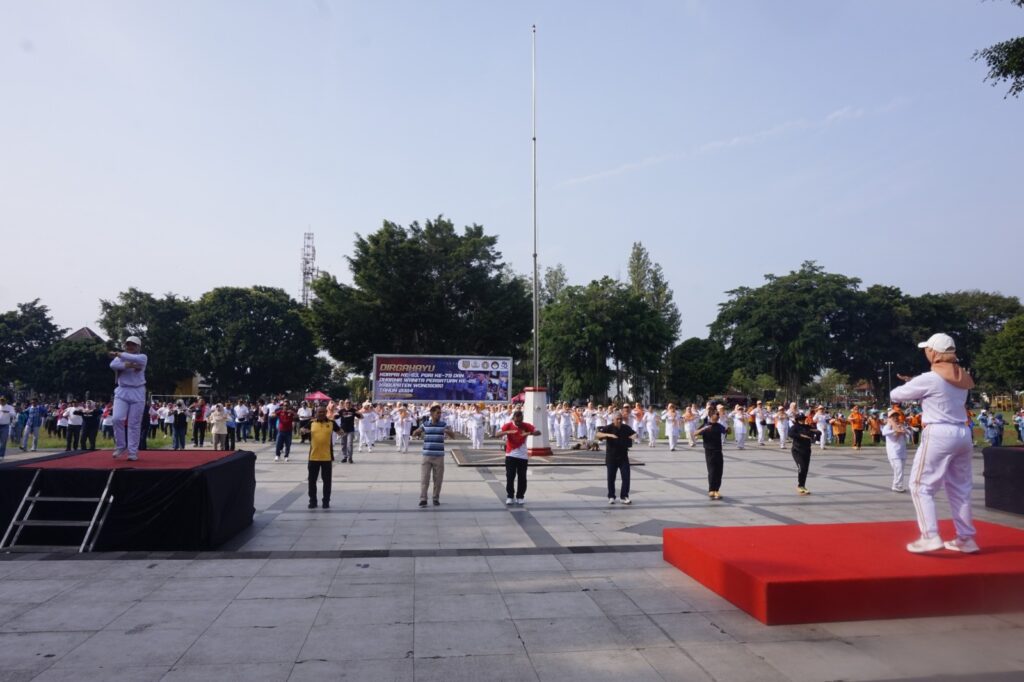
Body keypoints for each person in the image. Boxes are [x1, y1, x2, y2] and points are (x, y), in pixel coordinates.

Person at [891, 332, 978, 554]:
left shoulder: (929, 378)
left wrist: (913, 385)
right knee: (960, 488)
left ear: (934, 352)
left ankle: (930, 535)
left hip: (939, 432)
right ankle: (965, 538)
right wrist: (916, 383)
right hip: (963, 432)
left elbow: (896, 395)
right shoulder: (962, 377)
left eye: (927, 350)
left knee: (921, 486)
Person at [109, 335, 148, 461]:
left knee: (134, 424)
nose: (130, 347)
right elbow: (113, 366)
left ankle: (132, 451)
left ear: (138, 346)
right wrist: (129, 365)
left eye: (133, 345)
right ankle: (120, 446)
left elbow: (135, 361)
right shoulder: (119, 358)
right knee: (116, 419)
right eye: (128, 344)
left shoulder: (142, 357)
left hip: (138, 391)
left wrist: (119, 356)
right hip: (122, 390)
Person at [411, 403, 457, 507]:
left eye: (440, 413)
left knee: (438, 479)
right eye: (437, 413)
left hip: (439, 456)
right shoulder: (425, 424)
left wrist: (447, 431)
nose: (439, 415)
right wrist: (416, 432)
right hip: (427, 455)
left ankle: (436, 498)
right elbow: (415, 432)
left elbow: (454, 436)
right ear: (431, 413)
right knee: (424, 478)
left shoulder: (443, 424)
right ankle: (423, 499)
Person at [499, 409, 540, 506]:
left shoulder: (526, 425)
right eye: (517, 421)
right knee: (510, 476)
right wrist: (508, 432)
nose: (518, 423)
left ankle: (520, 496)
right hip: (510, 455)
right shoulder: (508, 425)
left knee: (522, 477)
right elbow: (497, 434)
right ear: (513, 418)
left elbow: (538, 432)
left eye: (520, 420)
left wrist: (528, 433)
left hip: (522, 456)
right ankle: (510, 496)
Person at [597, 411, 636, 505]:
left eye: (620, 419)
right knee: (611, 478)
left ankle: (624, 496)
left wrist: (632, 437)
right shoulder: (609, 427)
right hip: (611, 457)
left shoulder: (625, 427)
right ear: (613, 419)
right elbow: (598, 435)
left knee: (626, 477)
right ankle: (611, 496)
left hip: (623, 457)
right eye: (617, 419)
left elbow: (634, 433)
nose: (619, 421)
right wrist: (609, 435)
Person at [307, 407, 339, 509]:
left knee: (327, 481)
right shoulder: (311, 423)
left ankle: (326, 501)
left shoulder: (331, 423)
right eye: (319, 412)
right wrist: (303, 431)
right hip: (313, 457)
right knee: (312, 481)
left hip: (327, 457)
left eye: (323, 412)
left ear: (326, 413)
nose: (321, 413)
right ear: (316, 413)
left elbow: (341, 432)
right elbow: (302, 430)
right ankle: (313, 501)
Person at [695, 410, 727, 500]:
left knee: (719, 471)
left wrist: (728, 430)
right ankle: (711, 490)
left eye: (718, 414)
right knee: (712, 471)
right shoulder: (706, 425)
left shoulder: (719, 425)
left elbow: (726, 431)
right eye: (715, 414)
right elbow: (694, 433)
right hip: (709, 451)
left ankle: (716, 490)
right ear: (710, 415)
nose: (717, 416)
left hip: (718, 450)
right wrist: (703, 429)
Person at [789, 411, 820, 495]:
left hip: (807, 450)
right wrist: (801, 436)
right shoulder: (794, 427)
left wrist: (816, 434)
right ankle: (799, 485)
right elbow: (791, 434)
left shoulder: (807, 427)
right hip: (797, 451)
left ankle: (802, 486)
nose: (802, 420)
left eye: (803, 419)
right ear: (797, 419)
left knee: (805, 469)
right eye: (800, 419)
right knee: (801, 467)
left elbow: (817, 432)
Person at [882, 410, 909, 492]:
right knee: (899, 469)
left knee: (899, 470)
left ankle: (896, 485)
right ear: (890, 418)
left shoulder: (900, 425)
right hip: (894, 452)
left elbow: (909, 435)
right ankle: (897, 485)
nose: (896, 417)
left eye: (897, 416)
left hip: (902, 451)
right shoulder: (888, 426)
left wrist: (905, 431)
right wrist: (895, 430)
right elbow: (884, 432)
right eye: (893, 416)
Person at [0, 396, 15, 460]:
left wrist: (8, 412)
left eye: (3, 400)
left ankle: (1, 455)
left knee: (3, 442)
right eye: (1, 400)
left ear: (5, 401)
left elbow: (14, 414)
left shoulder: (10, 407)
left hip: (5, 426)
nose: (1, 401)